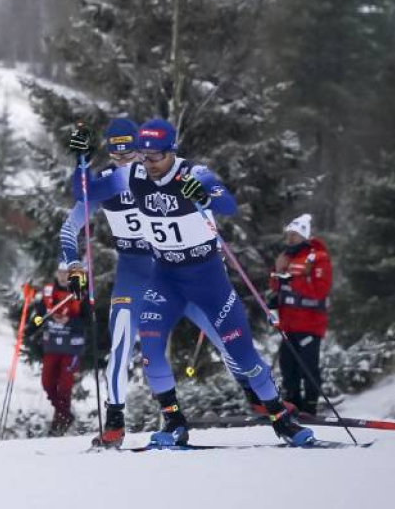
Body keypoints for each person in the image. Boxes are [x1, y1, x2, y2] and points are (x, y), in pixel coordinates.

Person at [68, 119, 314, 447]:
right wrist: (81, 161)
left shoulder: (193, 173)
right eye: (143, 156)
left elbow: (227, 203)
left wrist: (206, 196)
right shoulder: (133, 174)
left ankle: (278, 416)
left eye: (155, 157)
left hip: (206, 278)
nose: (148, 164)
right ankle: (174, 422)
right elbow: (84, 193)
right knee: (151, 350)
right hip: (165, 277)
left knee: (241, 354)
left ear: (171, 152)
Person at [269, 213, 331, 415]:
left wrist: (291, 282)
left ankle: (311, 404)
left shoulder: (318, 257)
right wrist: (277, 280)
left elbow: (320, 290)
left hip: (310, 323)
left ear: (304, 235)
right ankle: (292, 403)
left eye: (294, 235)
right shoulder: (287, 256)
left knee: (308, 367)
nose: (290, 239)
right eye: (288, 235)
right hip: (288, 323)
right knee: (287, 366)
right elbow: (276, 284)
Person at [38, 266, 85, 435]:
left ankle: (60, 421)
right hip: (52, 346)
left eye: (67, 273)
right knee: (47, 383)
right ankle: (64, 414)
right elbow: (38, 317)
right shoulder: (49, 292)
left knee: (64, 386)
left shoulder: (80, 294)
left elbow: (87, 320)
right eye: (60, 272)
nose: (63, 276)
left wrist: (70, 321)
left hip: (71, 349)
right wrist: (31, 303)